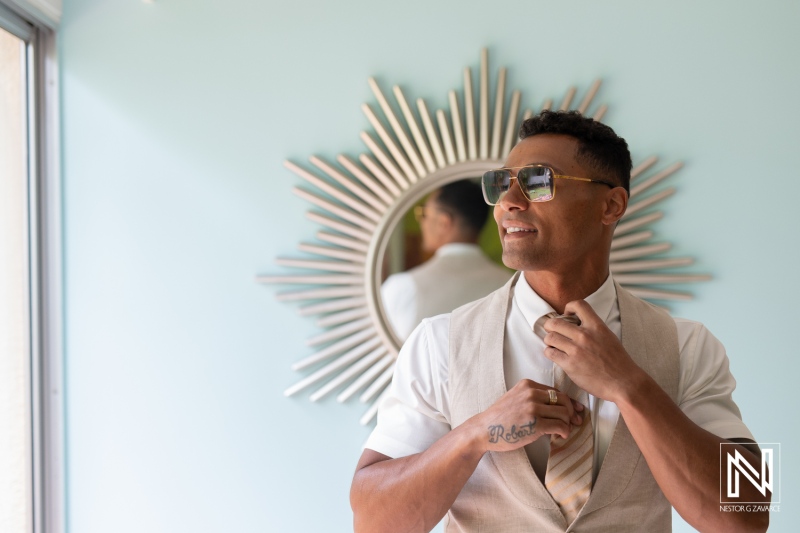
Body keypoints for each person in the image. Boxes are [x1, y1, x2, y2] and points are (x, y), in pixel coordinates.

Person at [351, 110, 769, 532]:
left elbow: (751, 518)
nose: (509, 202)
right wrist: (475, 433)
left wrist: (629, 385)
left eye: (537, 181)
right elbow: (371, 522)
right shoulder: (437, 342)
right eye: (501, 184)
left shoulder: (689, 345)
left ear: (611, 205)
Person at [381, 180, 511, 341]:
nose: (421, 222)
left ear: (444, 222)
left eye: (424, 214)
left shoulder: (403, 287)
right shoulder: (508, 283)